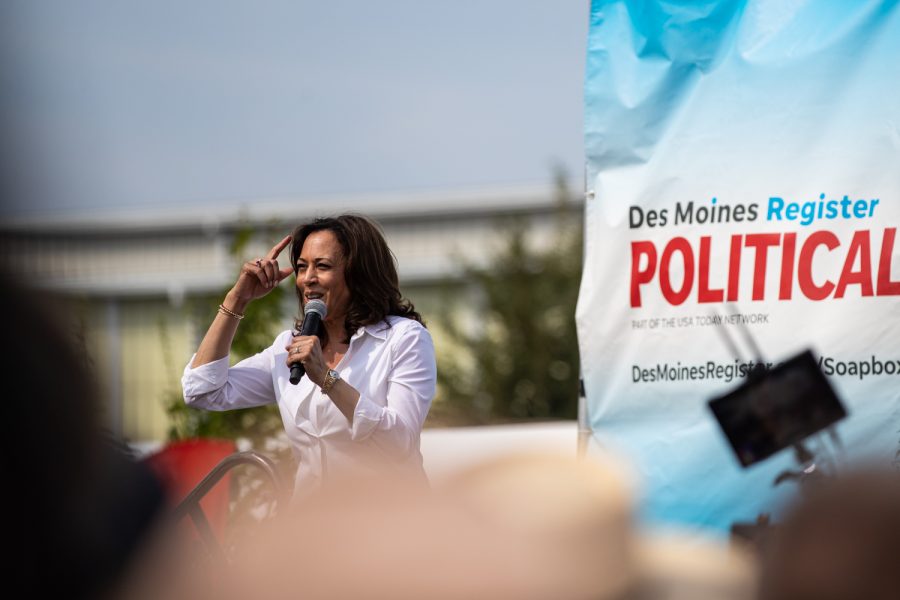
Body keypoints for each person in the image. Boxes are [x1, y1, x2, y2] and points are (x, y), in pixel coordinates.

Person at [181, 214, 436, 497]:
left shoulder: (405, 338)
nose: (308, 279)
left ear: (359, 273)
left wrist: (327, 379)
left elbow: (399, 443)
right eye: (302, 267)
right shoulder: (288, 347)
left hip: (391, 527)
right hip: (314, 531)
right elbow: (202, 390)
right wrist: (237, 299)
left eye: (323, 266)